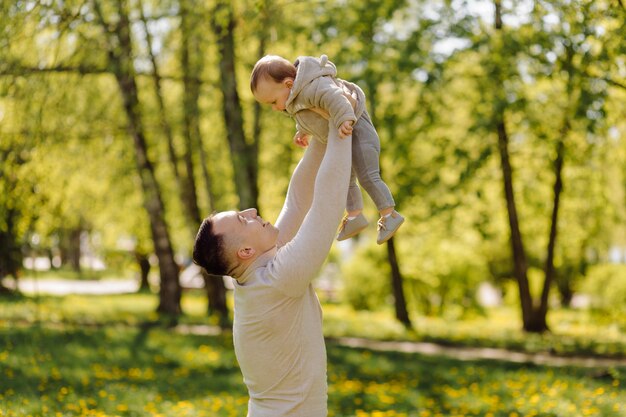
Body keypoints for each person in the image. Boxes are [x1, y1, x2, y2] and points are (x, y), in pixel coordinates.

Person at [193, 111, 351, 417]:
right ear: (246, 251)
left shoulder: (260, 272)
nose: (252, 210)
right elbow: (327, 204)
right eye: (243, 218)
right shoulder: (276, 281)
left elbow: (297, 202)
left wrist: (319, 134)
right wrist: (341, 124)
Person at [250, 54, 404, 245]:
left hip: (359, 133)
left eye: (273, 102)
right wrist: (303, 131)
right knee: (344, 178)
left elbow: (336, 98)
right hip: (346, 139)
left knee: (368, 175)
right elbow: (309, 117)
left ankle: (390, 214)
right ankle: (355, 216)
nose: (274, 108)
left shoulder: (313, 86)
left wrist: (345, 119)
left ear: (289, 84)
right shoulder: (295, 98)